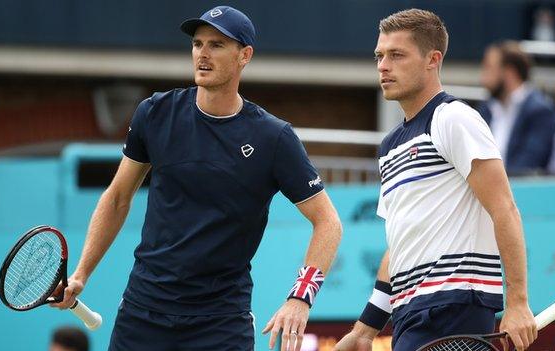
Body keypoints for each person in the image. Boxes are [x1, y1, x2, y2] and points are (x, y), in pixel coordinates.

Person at [50, 6, 342, 351]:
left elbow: (328, 223)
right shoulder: (154, 113)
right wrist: (82, 273)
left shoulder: (273, 138)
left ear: (244, 56)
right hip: (144, 310)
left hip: (220, 320)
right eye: (198, 44)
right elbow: (117, 198)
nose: (202, 54)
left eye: (217, 45)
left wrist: (300, 298)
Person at [334, 9, 536, 351]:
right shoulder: (389, 146)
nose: (383, 65)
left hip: (457, 307)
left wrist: (517, 302)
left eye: (397, 55)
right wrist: (365, 331)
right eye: (379, 56)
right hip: (409, 313)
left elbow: (505, 209)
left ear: (433, 59)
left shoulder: (454, 118)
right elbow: (400, 245)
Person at [479, 41, 555, 175]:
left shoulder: (541, 112)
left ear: (509, 73)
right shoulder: (486, 109)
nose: (483, 78)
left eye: (488, 68)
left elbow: (527, 166)